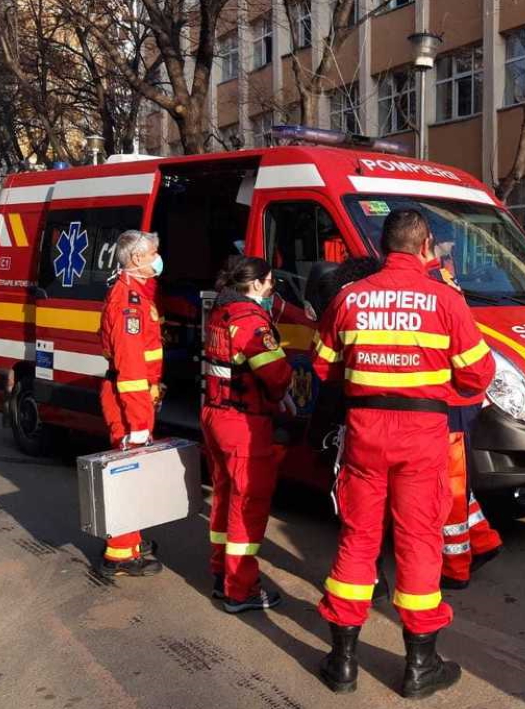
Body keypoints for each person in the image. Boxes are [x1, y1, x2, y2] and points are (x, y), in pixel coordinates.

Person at [313, 209, 495, 699]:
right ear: (425, 245)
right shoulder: (445, 299)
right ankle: (420, 665)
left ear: (383, 246)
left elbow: (323, 366)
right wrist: (437, 389)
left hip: (365, 434)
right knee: (418, 541)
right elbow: (479, 374)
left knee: (358, 538)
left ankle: (343, 662)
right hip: (422, 436)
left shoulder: (349, 297)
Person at [202, 256, 294, 613]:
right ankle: (240, 590)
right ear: (256, 283)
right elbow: (277, 374)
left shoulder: (221, 312)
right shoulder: (250, 320)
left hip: (216, 414)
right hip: (243, 424)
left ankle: (220, 573)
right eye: (270, 282)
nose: (272, 288)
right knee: (248, 506)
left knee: (225, 499)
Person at [428, 243, 503, 590]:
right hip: (457, 402)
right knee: (456, 486)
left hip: (447, 407)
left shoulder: (434, 290)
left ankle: (456, 566)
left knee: (451, 489)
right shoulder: (442, 287)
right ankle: (484, 540)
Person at [98, 230, 166, 578]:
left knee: (132, 473)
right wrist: (139, 425)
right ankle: (120, 553)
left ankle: (131, 541)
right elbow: (131, 371)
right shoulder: (129, 304)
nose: (158, 257)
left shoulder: (136, 294)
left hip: (133, 398)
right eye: (154, 252)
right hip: (129, 402)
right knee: (127, 473)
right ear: (138, 259)